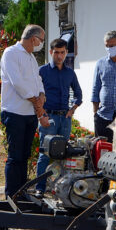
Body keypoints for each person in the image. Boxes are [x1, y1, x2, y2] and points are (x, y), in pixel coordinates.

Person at [0, 24, 50, 197]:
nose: (41, 43)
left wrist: (42, 94)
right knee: (15, 156)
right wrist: (38, 104)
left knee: (25, 155)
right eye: (41, 40)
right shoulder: (11, 53)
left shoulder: (31, 57)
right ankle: (12, 194)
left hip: (29, 114)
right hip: (15, 112)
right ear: (33, 39)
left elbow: (37, 80)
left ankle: (21, 191)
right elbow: (18, 84)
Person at [35, 38, 82, 195]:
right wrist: (41, 114)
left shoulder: (70, 73)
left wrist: (72, 109)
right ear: (51, 52)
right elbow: (35, 94)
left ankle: (61, 188)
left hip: (65, 119)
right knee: (45, 154)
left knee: (64, 153)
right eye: (56, 52)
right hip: (49, 118)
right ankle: (40, 188)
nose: (59, 56)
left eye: (62, 52)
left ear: (66, 53)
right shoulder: (43, 71)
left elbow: (79, 94)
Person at [91, 30, 116, 142]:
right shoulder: (101, 63)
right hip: (104, 116)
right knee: (102, 150)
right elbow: (96, 88)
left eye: (112, 46)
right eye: (107, 46)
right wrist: (95, 114)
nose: (109, 48)